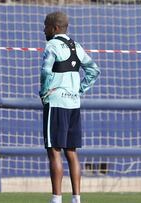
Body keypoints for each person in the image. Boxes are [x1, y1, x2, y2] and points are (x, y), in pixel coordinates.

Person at [40, 12, 100, 203]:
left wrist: (44, 92)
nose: (44, 29)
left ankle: (56, 199)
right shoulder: (77, 46)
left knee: (54, 151)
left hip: (56, 102)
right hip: (73, 103)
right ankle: (76, 198)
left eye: (46, 26)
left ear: (55, 28)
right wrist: (79, 90)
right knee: (72, 152)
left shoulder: (51, 46)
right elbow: (94, 70)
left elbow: (45, 71)